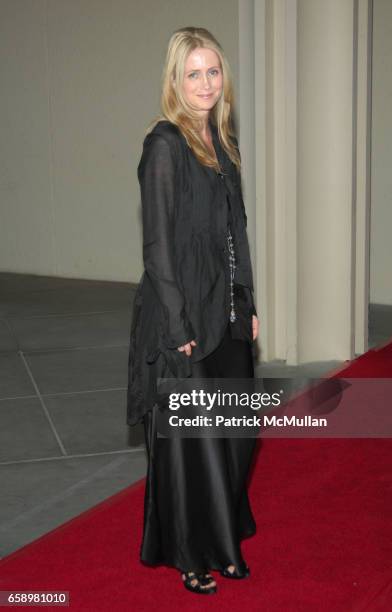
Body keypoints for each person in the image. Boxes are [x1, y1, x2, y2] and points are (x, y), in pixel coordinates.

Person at [127, 26, 259, 595]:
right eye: (193, 73)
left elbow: (237, 232)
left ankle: (223, 537)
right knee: (191, 445)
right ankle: (191, 555)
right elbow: (157, 247)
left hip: (224, 308)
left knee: (237, 432)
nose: (205, 83)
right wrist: (177, 325)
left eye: (213, 71)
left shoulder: (222, 142)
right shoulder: (165, 144)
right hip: (181, 314)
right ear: (175, 82)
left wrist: (247, 304)